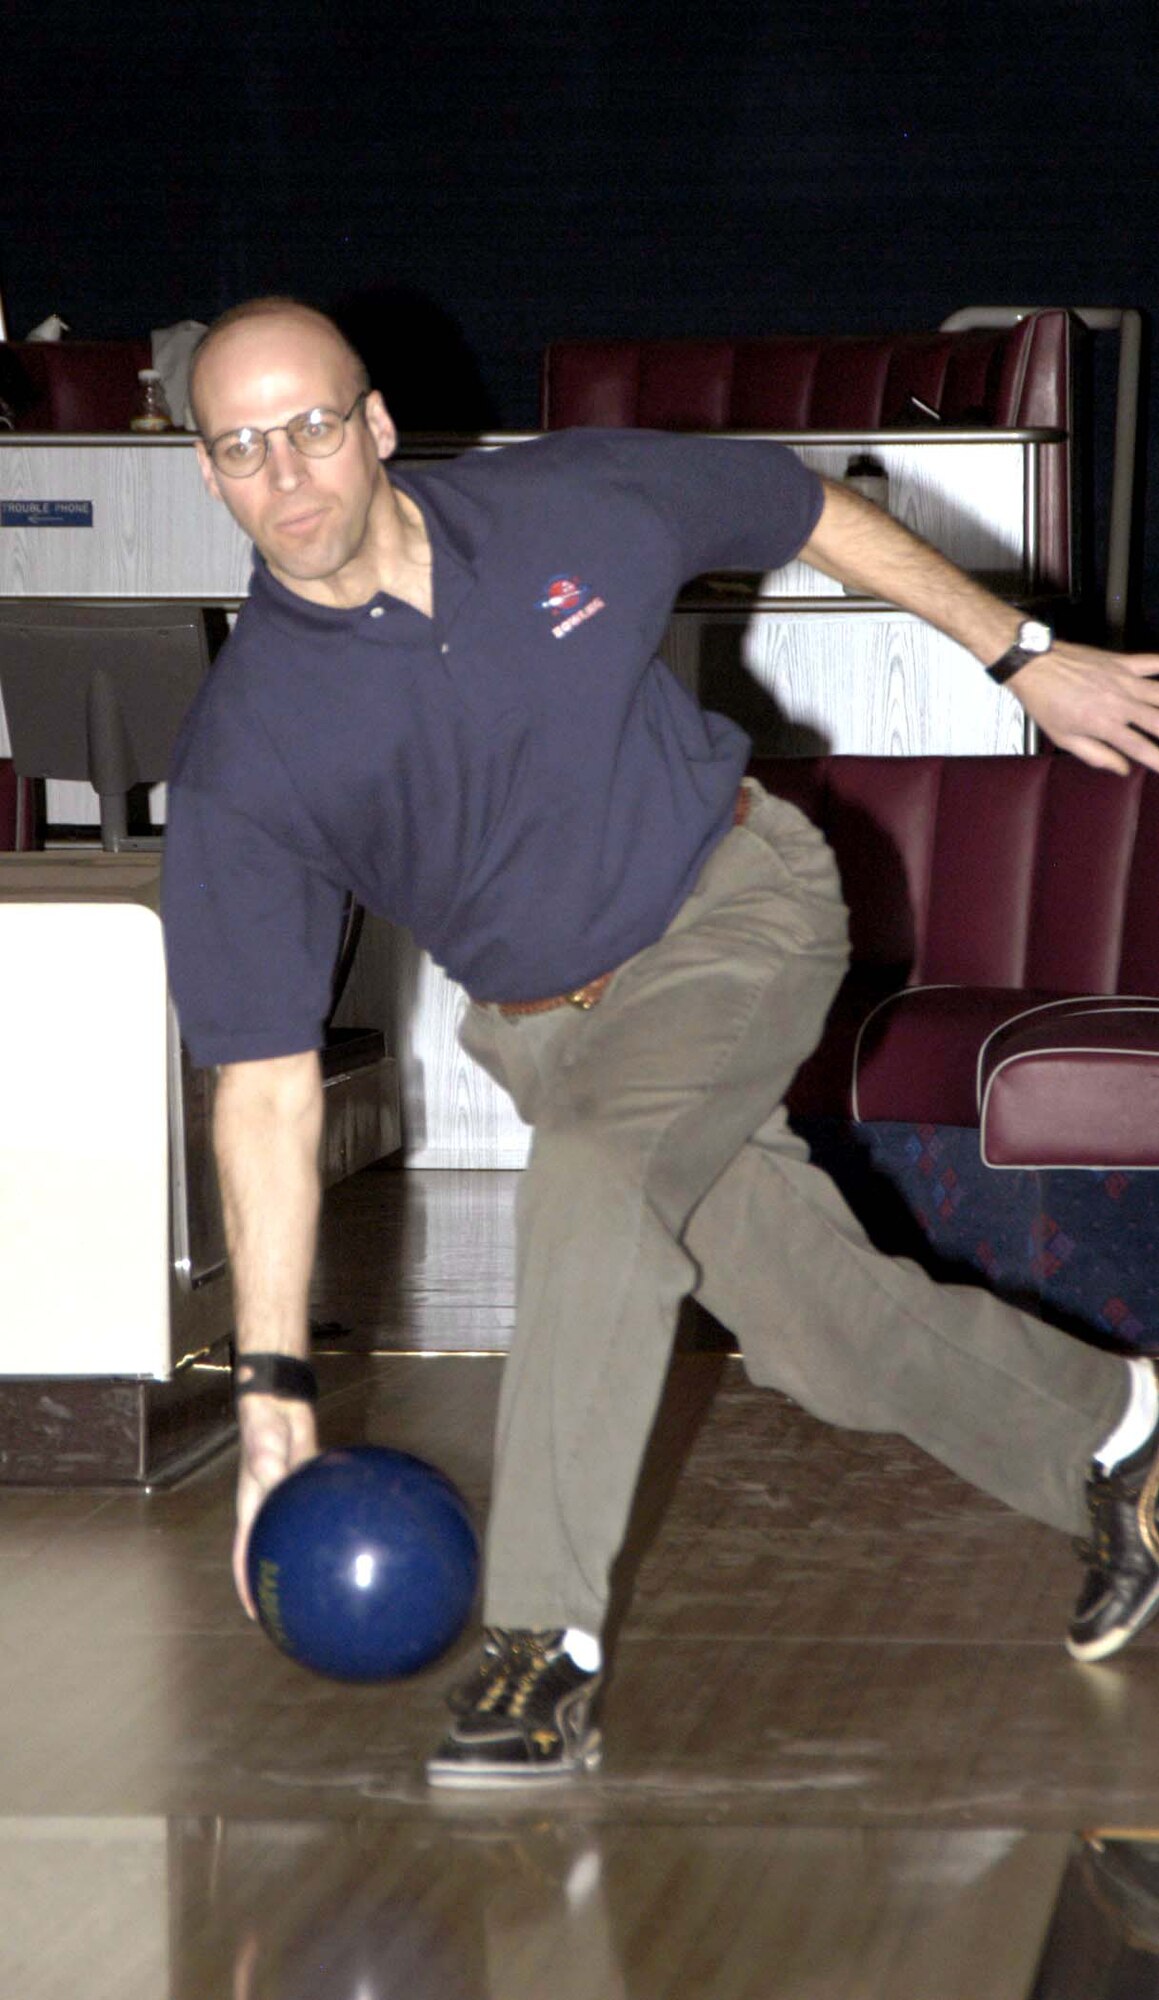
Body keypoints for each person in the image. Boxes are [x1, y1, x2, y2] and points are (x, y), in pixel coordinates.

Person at [162, 296, 1159, 1791]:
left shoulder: (563, 506)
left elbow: (796, 502)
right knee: (818, 1333)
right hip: (543, 1035)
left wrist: (1020, 656)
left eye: (308, 427)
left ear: (374, 429)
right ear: (211, 477)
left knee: (593, 1183)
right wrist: (270, 1393)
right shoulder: (253, 754)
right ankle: (1120, 1435)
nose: (285, 473)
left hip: (732, 913)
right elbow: (261, 1088)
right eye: (241, 448)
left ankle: (543, 1647)